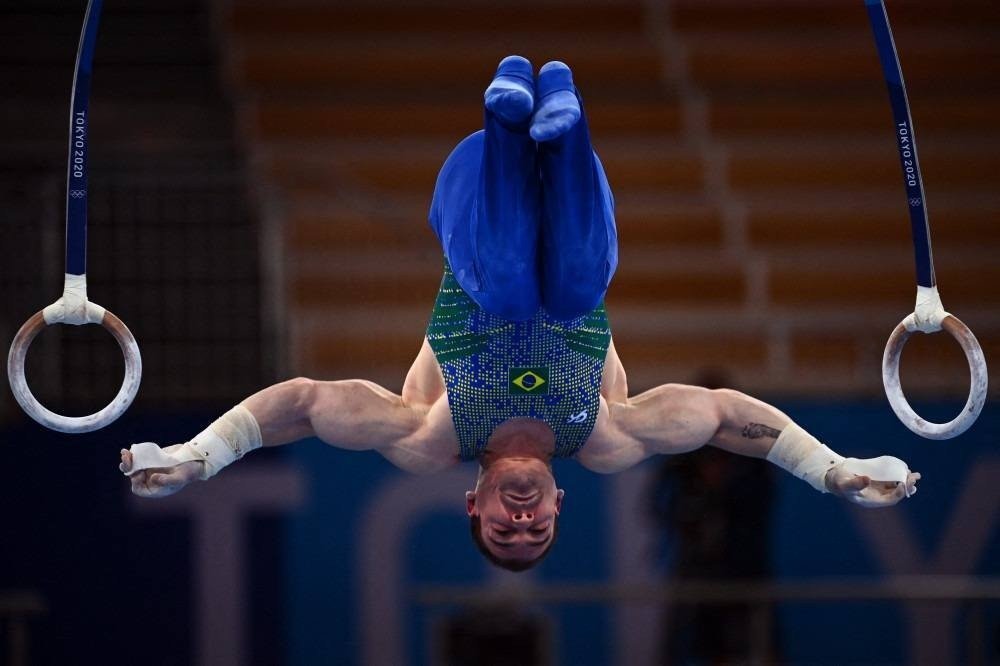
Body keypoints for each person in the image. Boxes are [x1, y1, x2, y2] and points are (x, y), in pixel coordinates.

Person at [119, 56, 920, 572]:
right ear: (561, 507)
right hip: (579, 227)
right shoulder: (604, 436)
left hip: (472, 207)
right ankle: (561, 118)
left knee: (504, 287)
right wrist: (834, 471)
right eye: (536, 533)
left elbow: (300, 402)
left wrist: (199, 456)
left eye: (505, 530)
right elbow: (720, 415)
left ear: (473, 504)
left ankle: (508, 114)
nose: (523, 522)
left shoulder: (428, 433)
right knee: (579, 286)